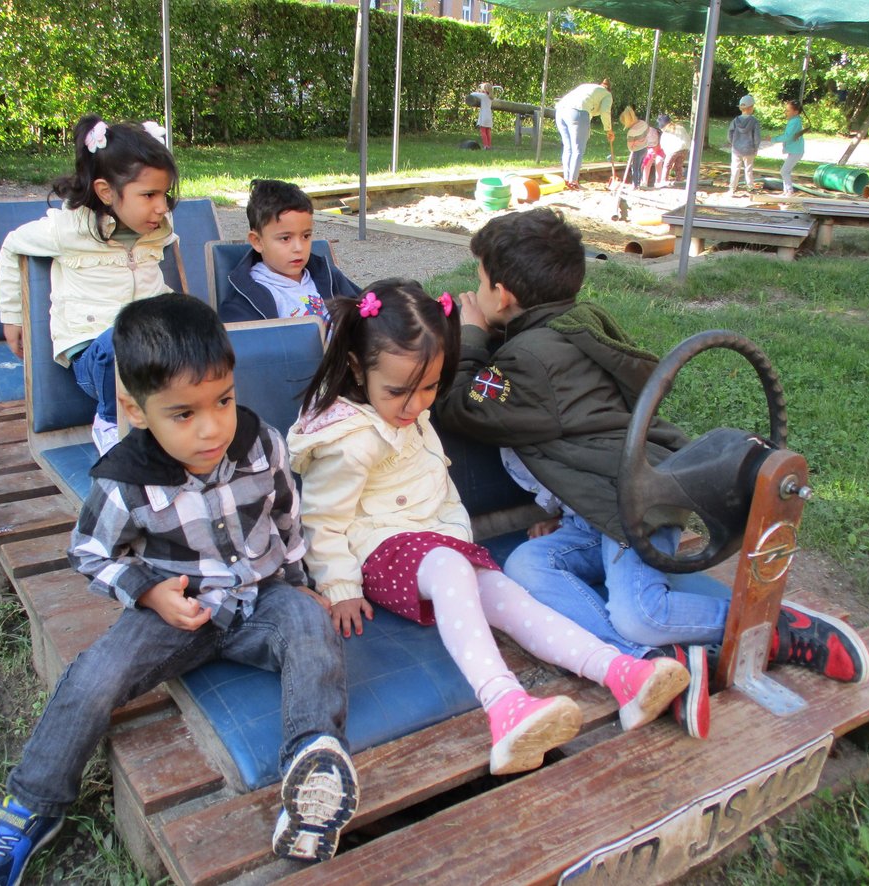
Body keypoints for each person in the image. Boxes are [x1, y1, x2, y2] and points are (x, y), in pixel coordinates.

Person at [0, 294, 357, 886]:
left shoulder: (261, 443)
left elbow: (285, 518)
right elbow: (88, 552)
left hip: (263, 600)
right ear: (138, 412)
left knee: (312, 627)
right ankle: (32, 803)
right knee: (95, 675)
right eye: (183, 414)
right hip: (177, 610)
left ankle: (312, 773)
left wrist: (300, 583)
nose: (212, 426)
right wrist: (148, 592)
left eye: (222, 399)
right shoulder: (124, 482)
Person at [435, 208, 869, 740]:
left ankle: (778, 628)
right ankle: (652, 665)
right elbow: (572, 431)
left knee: (642, 612)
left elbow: (463, 404)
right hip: (594, 507)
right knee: (528, 565)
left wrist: (472, 334)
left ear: (502, 294)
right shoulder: (575, 322)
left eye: (479, 281)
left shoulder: (526, 363)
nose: (473, 291)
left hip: (630, 502)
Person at [287, 280, 690, 777]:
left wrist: (457, 540)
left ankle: (621, 672)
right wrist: (339, 586)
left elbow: (438, 485)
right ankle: (505, 707)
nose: (416, 405)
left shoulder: (408, 414)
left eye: (430, 387)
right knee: (455, 567)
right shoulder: (349, 440)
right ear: (355, 368)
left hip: (436, 547)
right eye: (399, 391)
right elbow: (322, 520)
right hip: (379, 553)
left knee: (507, 593)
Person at [0, 114, 179, 455]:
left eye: (164, 194)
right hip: (96, 357)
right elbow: (12, 245)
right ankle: (110, 421)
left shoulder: (158, 230)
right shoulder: (66, 231)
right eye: (149, 194)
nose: (161, 206)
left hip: (151, 353)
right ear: (106, 191)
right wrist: (12, 315)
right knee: (118, 339)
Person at [218, 178, 361, 324]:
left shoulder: (326, 275)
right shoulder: (246, 297)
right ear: (257, 241)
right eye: (285, 238)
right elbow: (242, 341)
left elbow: (365, 308)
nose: (299, 248)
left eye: (306, 236)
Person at [554, 81, 614, 191]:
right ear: (609, 89)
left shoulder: (588, 88)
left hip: (560, 111)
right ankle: (573, 181)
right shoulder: (607, 95)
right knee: (578, 149)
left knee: (568, 147)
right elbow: (605, 112)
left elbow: (588, 112)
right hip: (578, 112)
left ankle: (567, 179)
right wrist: (609, 130)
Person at [727, 94, 761, 196]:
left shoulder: (735, 121)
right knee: (748, 169)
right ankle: (750, 187)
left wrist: (733, 143)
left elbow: (729, 134)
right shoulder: (754, 122)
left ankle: (732, 188)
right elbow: (757, 137)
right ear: (750, 108)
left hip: (736, 149)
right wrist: (756, 147)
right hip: (749, 149)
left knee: (735, 169)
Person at [771, 100, 805, 197]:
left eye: (788, 110)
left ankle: (789, 191)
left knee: (784, 171)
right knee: (786, 171)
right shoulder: (795, 121)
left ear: (796, 112)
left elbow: (788, 136)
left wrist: (773, 139)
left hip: (796, 151)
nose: (786, 112)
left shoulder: (795, 122)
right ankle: (786, 191)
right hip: (795, 150)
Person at [651, 114, 692, 188]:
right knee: (678, 166)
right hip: (685, 149)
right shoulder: (680, 128)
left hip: (674, 150)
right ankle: (679, 180)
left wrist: (669, 157)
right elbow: (687, 138)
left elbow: (665, 145)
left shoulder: (666, 132)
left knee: (667, 166)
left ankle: (663, 181)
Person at [620, 106, 650, 190]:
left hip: (637, 151)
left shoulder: (632, 132)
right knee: (640, 167)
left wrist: (632, 148)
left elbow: (630, 145)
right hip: (645, 148)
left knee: (635, 168)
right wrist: (642, 140)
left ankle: (635, 185)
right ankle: (639, 183)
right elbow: (648, 131)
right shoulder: (643, 123)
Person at [472, 82, 495, 150]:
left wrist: (479, 91)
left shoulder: (483, 96)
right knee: (488, 132)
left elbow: (473, 94)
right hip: (489, 115)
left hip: (484, 115)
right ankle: (489, 145)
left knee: (483, 131)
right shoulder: (491, 97)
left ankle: (485, 145)